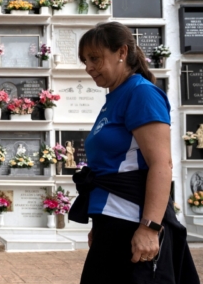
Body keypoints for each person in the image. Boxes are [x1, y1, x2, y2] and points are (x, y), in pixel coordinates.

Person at [70, 22, 199, 283]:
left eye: (95, 58)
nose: (88, 67)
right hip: (112, 222)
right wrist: (99, 223)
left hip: (132, 223)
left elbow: (162, 164)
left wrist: (150, 228)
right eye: (85, 60)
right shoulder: (115, 97)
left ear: (121, 52)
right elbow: (111, 167)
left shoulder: (141, 93)